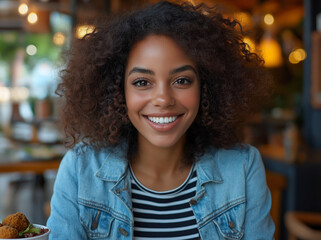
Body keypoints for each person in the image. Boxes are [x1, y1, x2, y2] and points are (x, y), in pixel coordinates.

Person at [47, 1, 275, 239]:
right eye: (142, 82)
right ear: (117, 91)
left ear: (206, 87)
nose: (163, 99)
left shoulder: (242, 168)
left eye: (182, 80)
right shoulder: (79, 171)